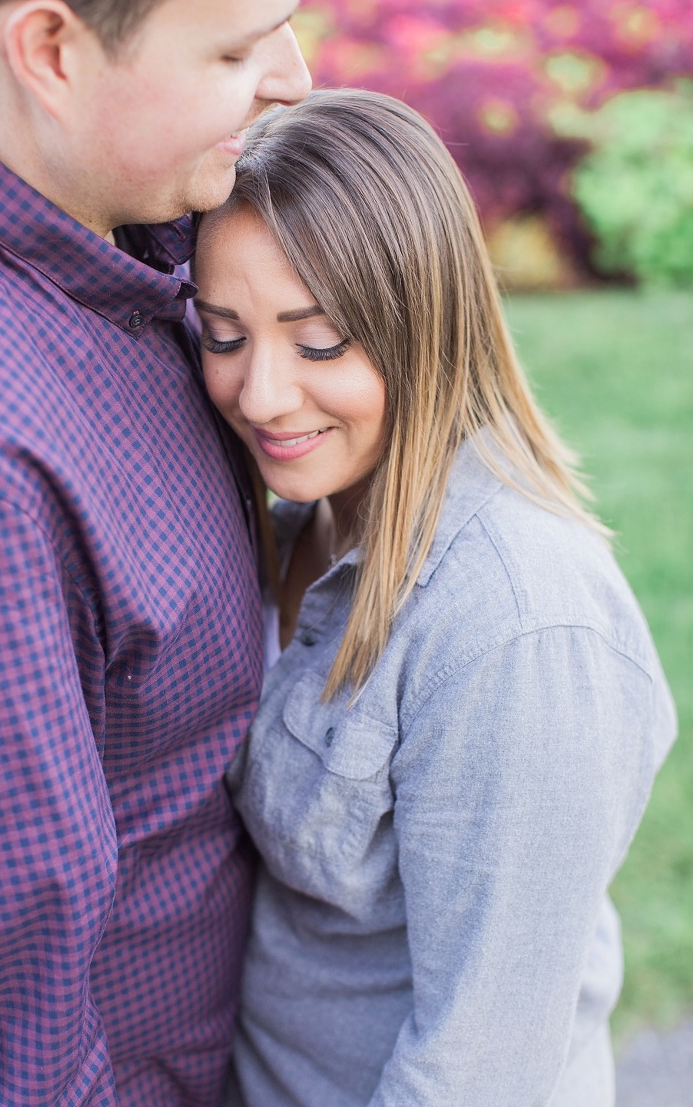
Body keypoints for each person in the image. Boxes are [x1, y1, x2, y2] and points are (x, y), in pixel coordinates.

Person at [192, 89, 677, 1107]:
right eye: (224, 334)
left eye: (318, 340)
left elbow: (481, 1071)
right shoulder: (305, 517)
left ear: (424, 322)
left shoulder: (515, 626)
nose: (262, 393)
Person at [0, 0, 310, 1102]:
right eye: (236, 51)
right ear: (50, 53)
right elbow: (5, 968)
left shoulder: (120, 205)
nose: (293, 78)